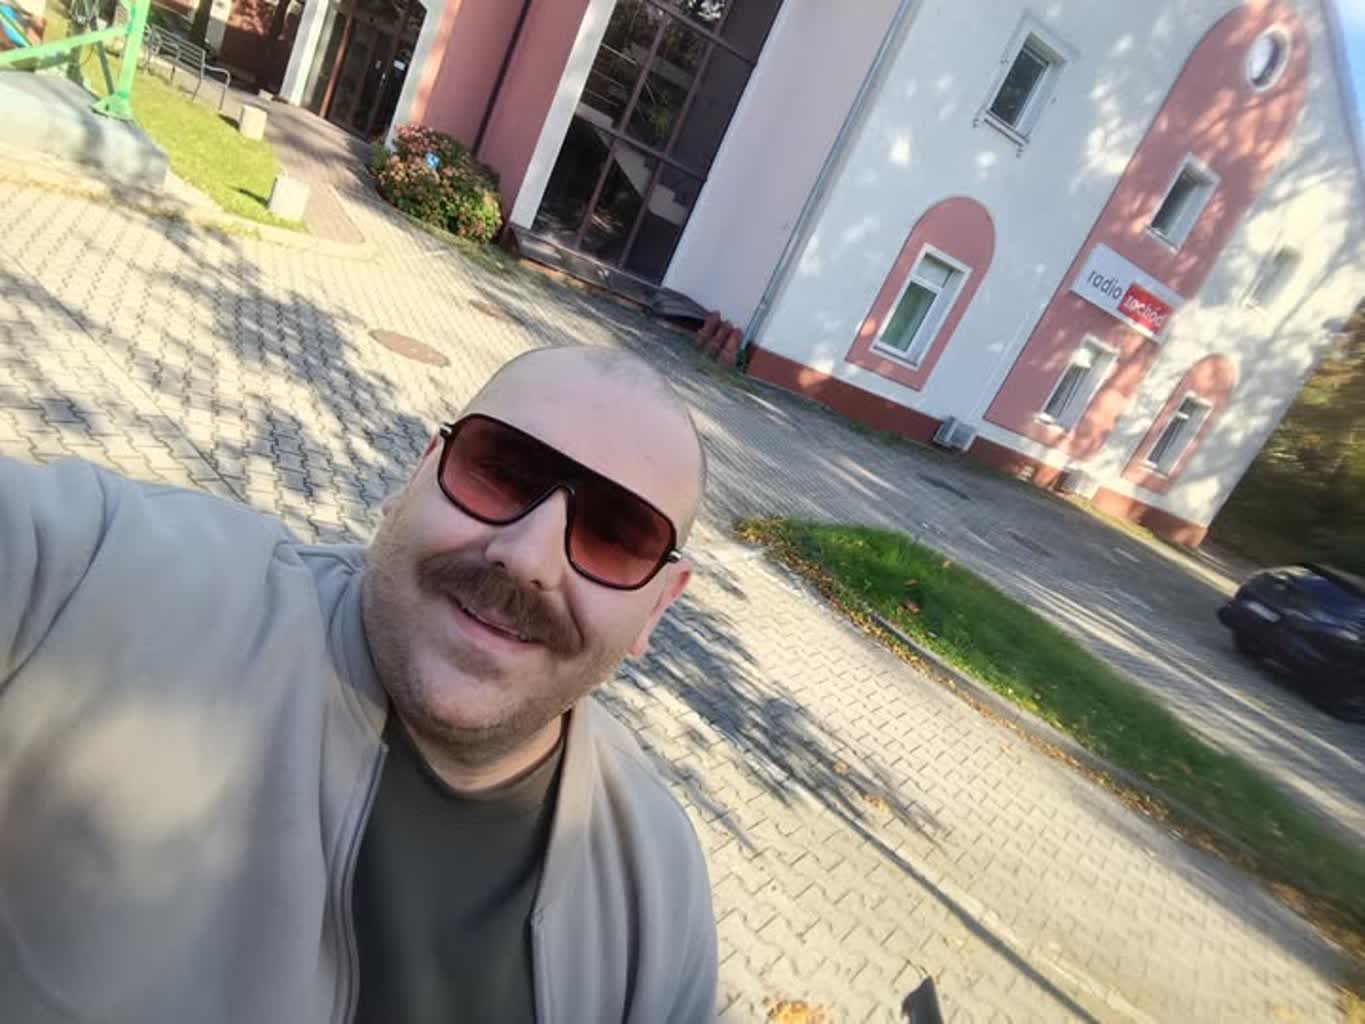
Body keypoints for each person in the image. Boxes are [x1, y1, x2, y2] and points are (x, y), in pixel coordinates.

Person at [0, 345, 717, 1023]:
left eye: (615, 536)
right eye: (499, 471)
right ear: (417, 475)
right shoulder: (112, 581)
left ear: (659, 605)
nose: (527, 556)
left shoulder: (657, 888)